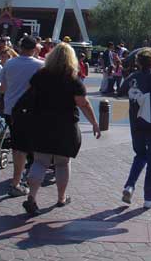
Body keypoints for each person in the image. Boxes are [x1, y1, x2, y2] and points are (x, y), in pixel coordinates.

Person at [22, 43, 101, 216]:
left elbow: (28, 94)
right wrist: (95, 123)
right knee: (62, 163)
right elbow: (83, 104)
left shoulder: (40, 75)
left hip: (41, 124)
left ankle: (32, 197)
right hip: (65, 127)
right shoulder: (73, 80)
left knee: (39, 162)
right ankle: (61, 198)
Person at [0, 35, 44, 197]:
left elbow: (2, 88)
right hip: (31, 111)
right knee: (32, 147)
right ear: (34, 48)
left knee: (18, 147)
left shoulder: (9, 63)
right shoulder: (40, 65)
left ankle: (17, 179)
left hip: (11, 110)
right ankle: (22, 180)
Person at [122, 48, 151, 209]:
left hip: (136, 123)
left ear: (137, 63)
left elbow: (121, 91)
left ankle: (130, 185)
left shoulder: (133, 77)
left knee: (140, 154)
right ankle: (149, 198)